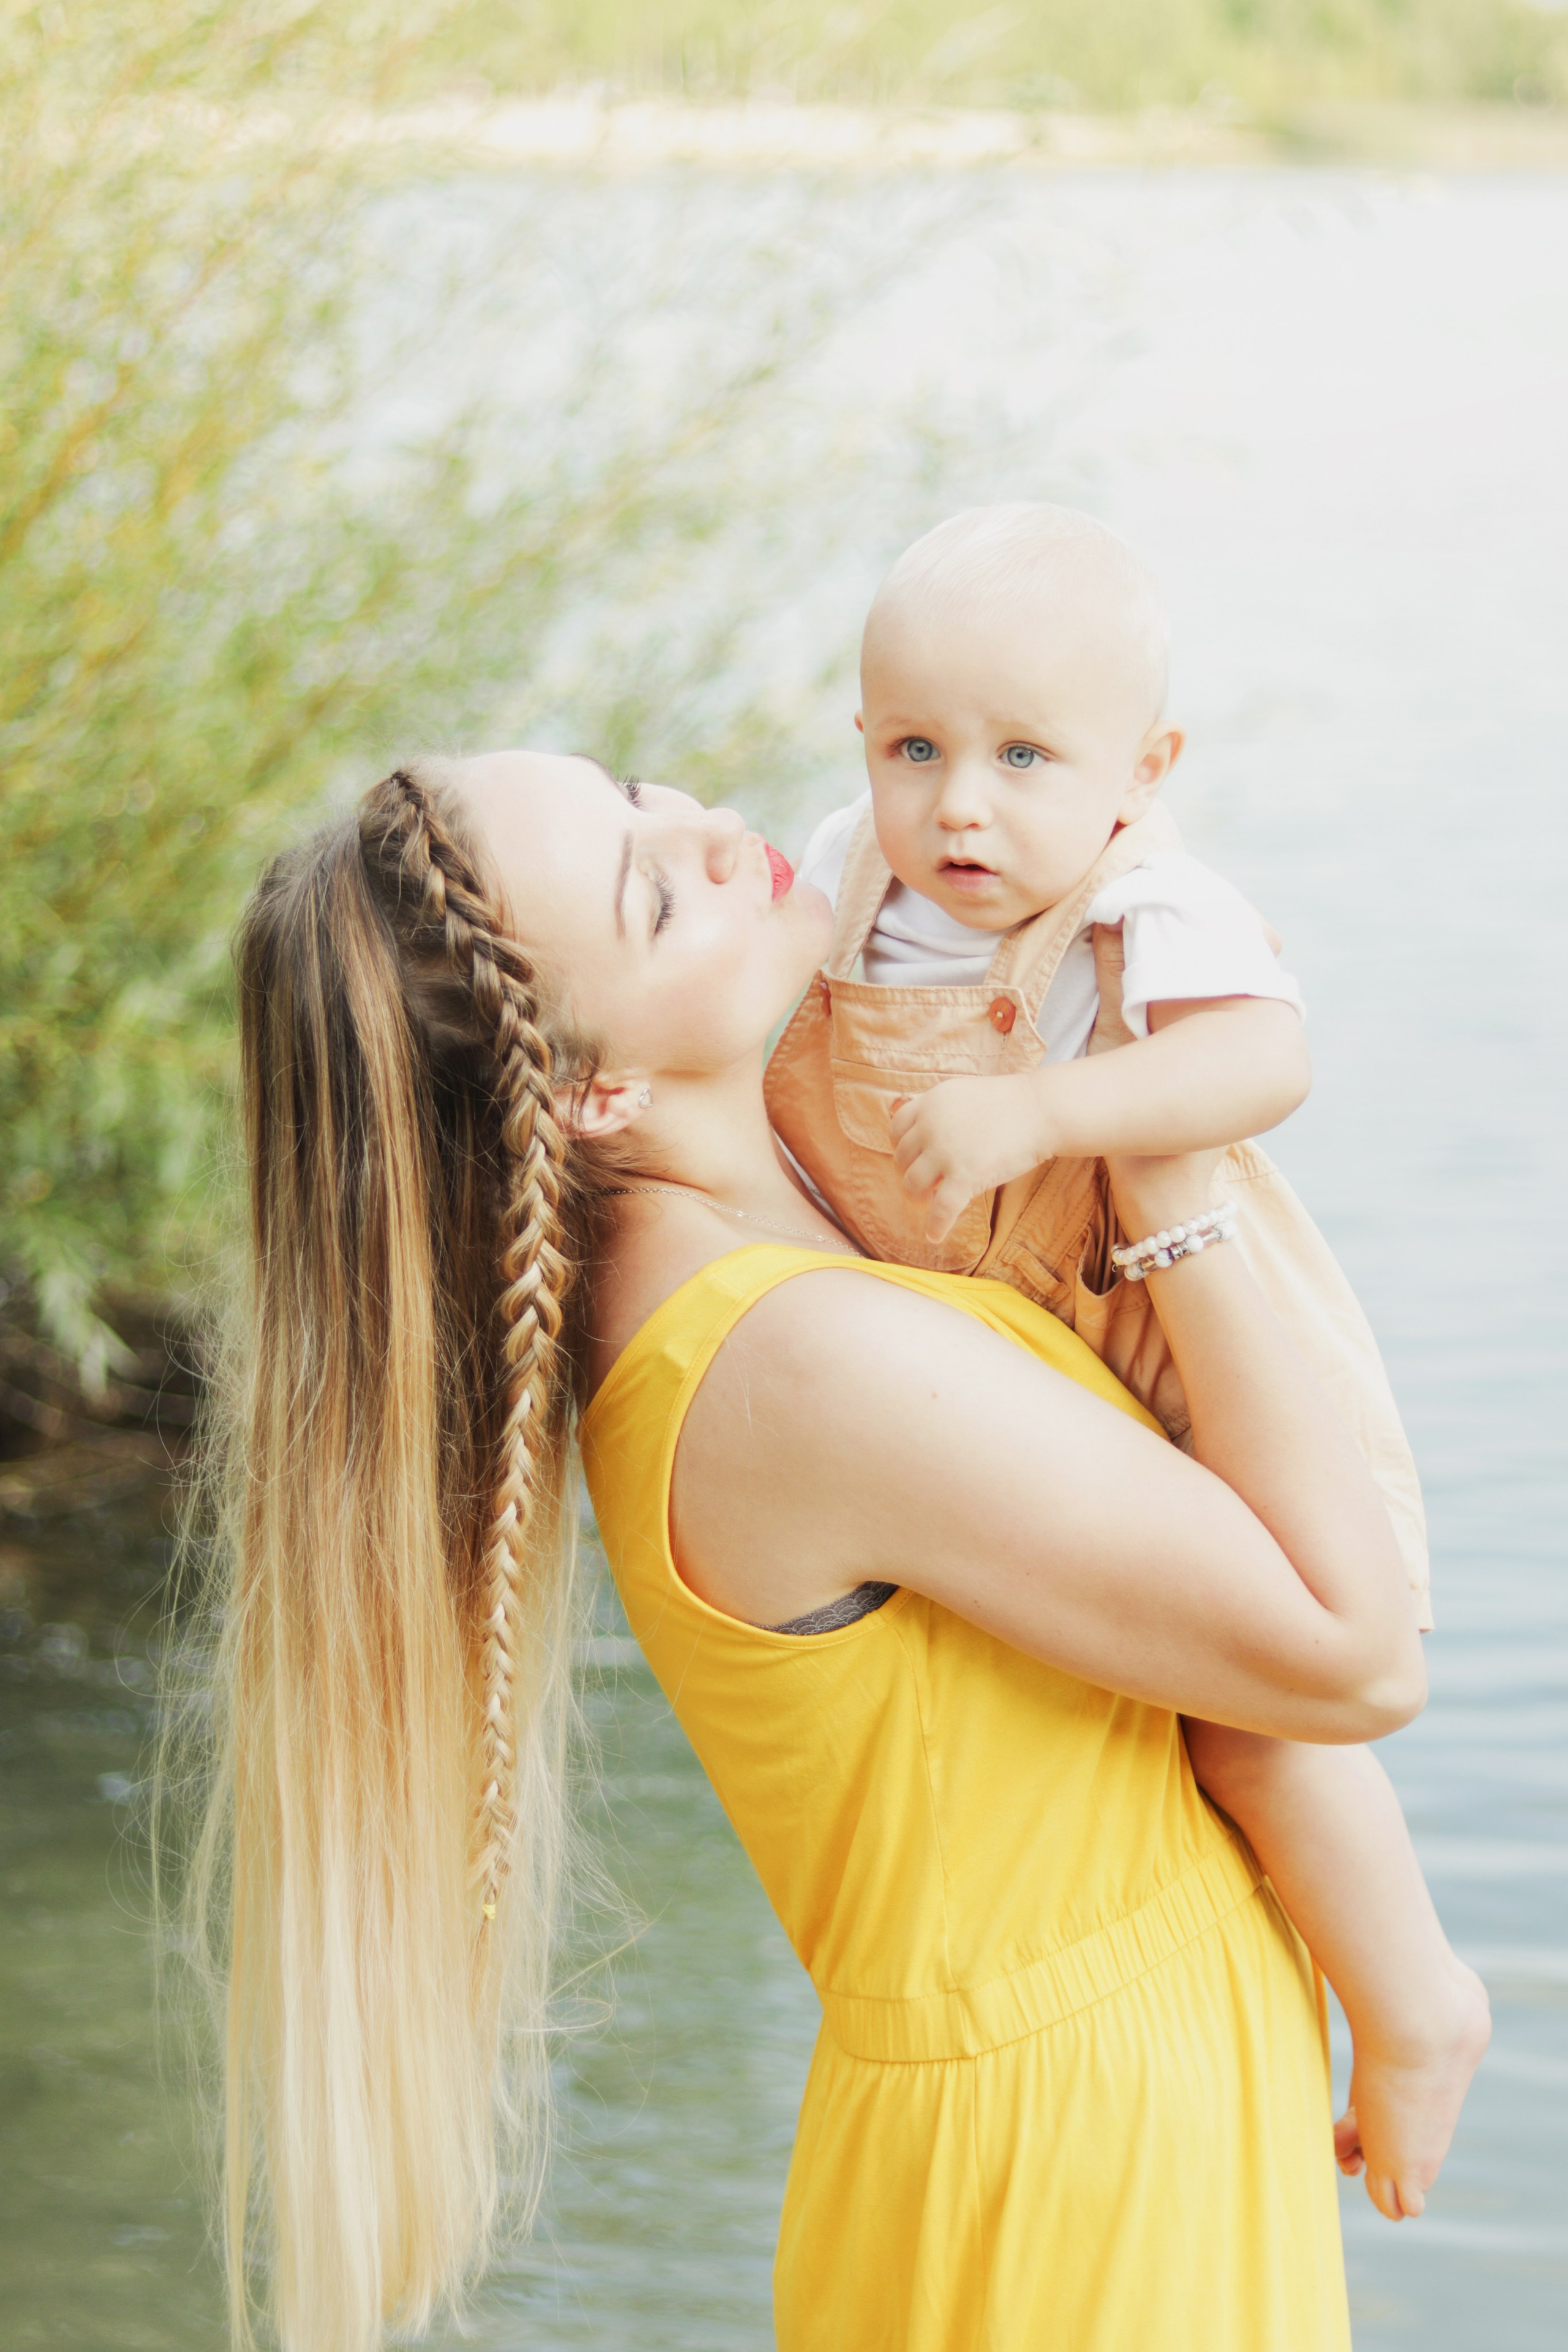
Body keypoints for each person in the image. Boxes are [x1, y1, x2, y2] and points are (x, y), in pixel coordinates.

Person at [199, 746, 1442, 2352]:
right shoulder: (788, 1361)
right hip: (1073, 2186)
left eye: (642, 791)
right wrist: (1170, 1176)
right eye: (654, 896)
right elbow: (1353, 1652)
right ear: (592, 1093)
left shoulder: (767, 1237)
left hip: (1091, 2124)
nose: (714, 832)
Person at [767, 502, 1487, 2225]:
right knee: (1101, 1696)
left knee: (1251, 1721)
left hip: (1168, 1348)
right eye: (914, 749)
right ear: (861, 745)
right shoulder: (847, 876)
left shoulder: (1147, 899)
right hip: (1001, 1358)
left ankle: (1413, 2004)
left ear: (1139, 772)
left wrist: (1048, 1108)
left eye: (1024, 756)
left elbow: (1262, 1063)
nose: (960, 805)